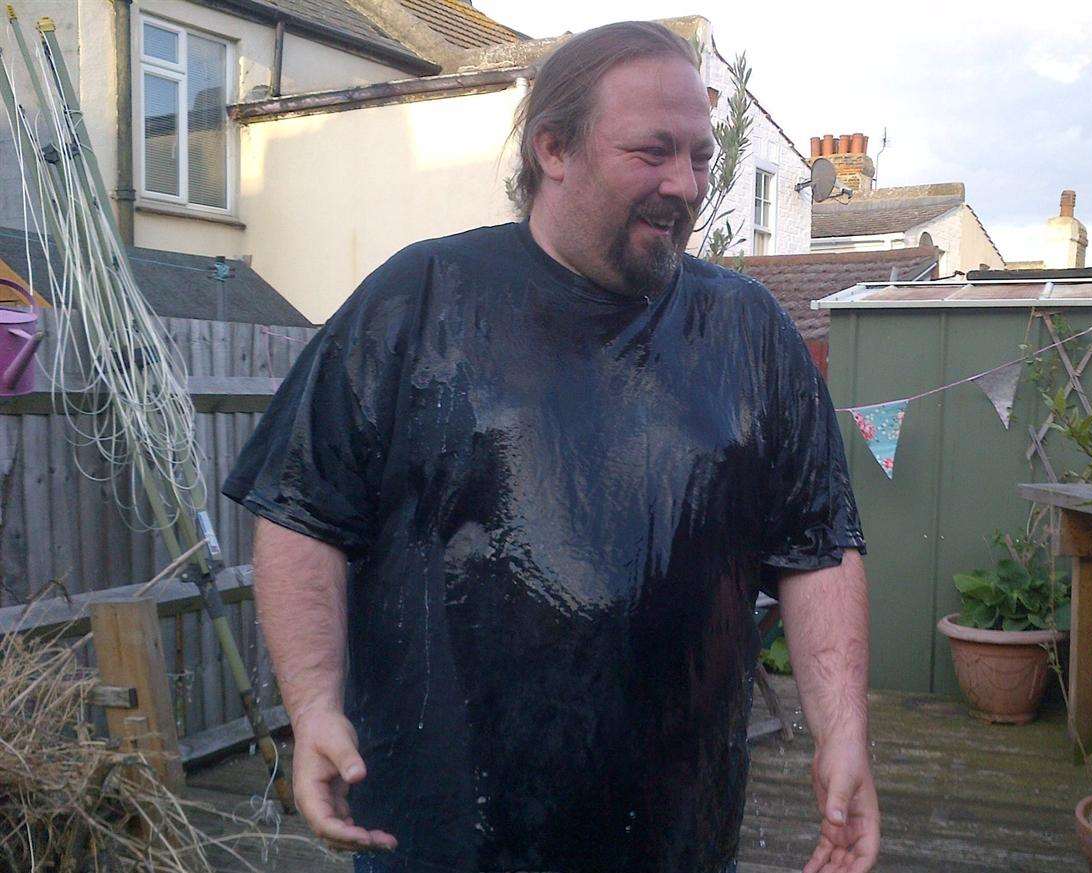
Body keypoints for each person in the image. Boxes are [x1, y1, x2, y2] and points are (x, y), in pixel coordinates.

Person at [223, 20, 879, 873]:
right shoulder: (422, 300)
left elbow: (818, 545)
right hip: (445, 826)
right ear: (553, 149)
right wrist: (312, 707)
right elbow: (302, 510)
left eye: (701, 158)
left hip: (673, 830)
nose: (685, 185)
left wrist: (843, 736)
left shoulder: (746, 329)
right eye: (652, 152)